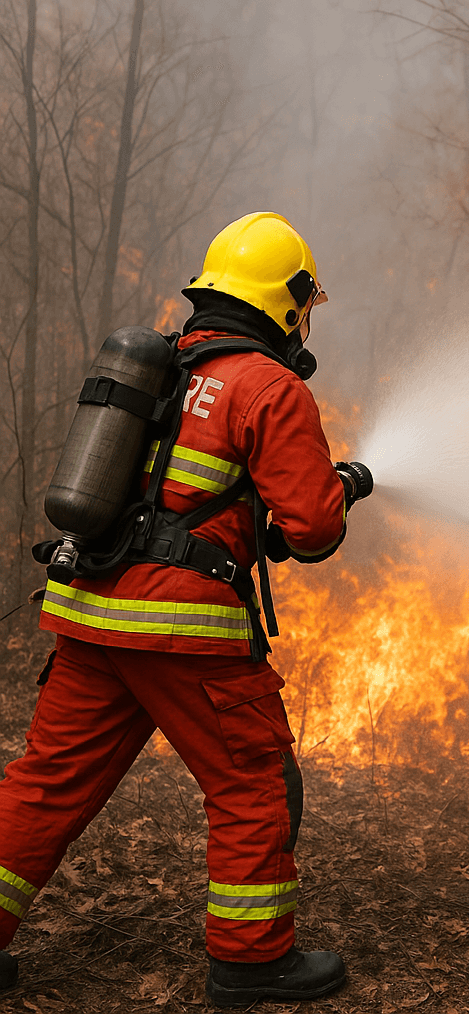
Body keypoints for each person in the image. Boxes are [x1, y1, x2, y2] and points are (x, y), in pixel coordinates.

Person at [0, 213, 357, 1007]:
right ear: (287, 301)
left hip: (91, 610)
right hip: (183, 629)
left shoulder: (157, 367)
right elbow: (313, 528)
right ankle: (253, 959)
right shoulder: (270, 386)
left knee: (46, 781)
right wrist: (343, 485)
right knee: (251, 782)